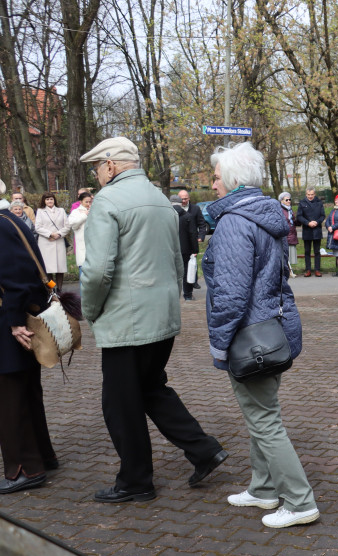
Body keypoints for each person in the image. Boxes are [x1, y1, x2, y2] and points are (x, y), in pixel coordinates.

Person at [79, 136, 229, 503]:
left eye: (98, 167)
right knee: (150, 389)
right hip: (161, 315)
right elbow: (178, 259)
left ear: (111, 166)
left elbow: (98, 271)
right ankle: (204, 450)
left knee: (120, 403)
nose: (98, 175)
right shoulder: (161, 200)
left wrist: (89, 310)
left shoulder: (108, 201)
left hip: (127, 321)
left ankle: (135, 480)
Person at [203, 142, 319, 529]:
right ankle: (264, 488)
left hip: (249, 337)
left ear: (233, 180)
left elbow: (231, 294)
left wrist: (218, 344)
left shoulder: (235, 222)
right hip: (271, 329)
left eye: (217, 176)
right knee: (262, 413)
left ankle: (300, 501)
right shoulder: (265, 215)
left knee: (265, 419)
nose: (212, 183)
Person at [0, 179, 59, 493]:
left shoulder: (1, 224)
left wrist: (12, 322)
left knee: (10, 398)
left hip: (11, 322)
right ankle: (42, 457)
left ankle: (25, 468)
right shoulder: (10, 219)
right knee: (25, 392)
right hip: (18, 316)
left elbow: (14, 278)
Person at [35, 192, 70, 290]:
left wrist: (58, 234)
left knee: (60, 268)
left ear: (54, 200)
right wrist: (50, 234)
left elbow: (67, 226)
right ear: (44, 201)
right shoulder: (40, 211)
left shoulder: (61, 210)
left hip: (58, 241)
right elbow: (37, 227)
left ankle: (59, 290)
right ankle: (52, 290)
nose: (49, 201)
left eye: (51, 199)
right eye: (47, 199)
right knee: (48, 269)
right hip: (46, 242)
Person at [171, 194, 199, 301]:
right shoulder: (188, 217)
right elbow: (193, 234)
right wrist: (195, 249)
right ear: (180, 203)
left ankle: (173, 296)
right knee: (187, 271)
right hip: (185, 249)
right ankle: (187, 295)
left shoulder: (166, 216)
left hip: (170, 249)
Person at [296, 187, 325, 277]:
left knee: (317, 251)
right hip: (307, 230)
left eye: (312, 194)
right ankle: (308, 270)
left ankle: (317, 270)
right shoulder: (302, 203)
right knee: (307, 251)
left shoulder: (319, 203)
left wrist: (317, 222)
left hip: (317, 230)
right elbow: (299, 216)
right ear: (306, 194)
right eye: (308, 195)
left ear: (314, 194)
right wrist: (308, 223)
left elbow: (322, 215)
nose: (310, 196)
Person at [68, 192, 93, 269]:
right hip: (82, 240)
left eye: (90, 201)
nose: (88, 203)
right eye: (86, 202)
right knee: (83, 264)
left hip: (94, 241)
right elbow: (73, 224)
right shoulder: (76, 211)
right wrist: (84, 215)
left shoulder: (95, 210)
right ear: (81, 201)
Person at [280, 192, 299, 277]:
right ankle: (286, 272)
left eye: (289, 199)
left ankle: (289, 271)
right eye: (286, 200)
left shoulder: (290, 209)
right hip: (284, 234)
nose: (288, 201)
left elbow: (293, 221)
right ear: (282, 201)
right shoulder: (280, 209)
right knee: (284, 254)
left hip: (291, 233)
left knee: (289, 254)